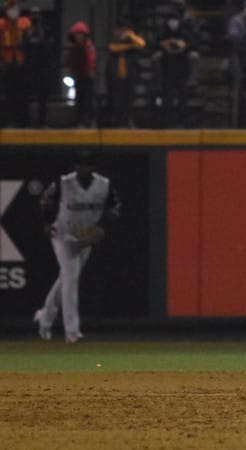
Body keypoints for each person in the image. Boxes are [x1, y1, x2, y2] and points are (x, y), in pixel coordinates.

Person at [33, 150, 122, 343]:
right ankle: (72, 332)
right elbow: (46, 200)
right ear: (75, 167)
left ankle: (45, 317)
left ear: (93, 168)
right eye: (80, 165)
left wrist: (101, 228)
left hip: (86, 237)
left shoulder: (104, 185)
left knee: (66, 278)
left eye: (87, 165)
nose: (83, 168)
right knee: (71, 278)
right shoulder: (63, 182)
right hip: (63, 234)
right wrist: (48, 222)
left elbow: (115, 207)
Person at [153, 9, 197, 127]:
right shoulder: (163, 33)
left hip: (182, 70)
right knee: (167, 98)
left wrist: (186, 48)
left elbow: (192, 45)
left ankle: (183, 122)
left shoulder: (184, 33)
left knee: (183, 98)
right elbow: (155, 44)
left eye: (175, 20)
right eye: (171, 20)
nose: (173, 23)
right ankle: (166, 122)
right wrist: (161, 49)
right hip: (167, 70)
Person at [106, 19, 146, 127]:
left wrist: (131, 35)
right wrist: (130, 46)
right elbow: (113, 48)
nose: (122, 33)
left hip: (129, 76)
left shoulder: (131, 40)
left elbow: (142, 44)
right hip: (117, 77)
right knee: (117, 101)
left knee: (129, 100)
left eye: (124, 30)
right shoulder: (115, 41)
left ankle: (128, 121)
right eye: (121, 30)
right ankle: (118, 122)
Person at [0, 2, 32, 126]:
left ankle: (23, 120)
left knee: (22, 94)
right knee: (8, 94)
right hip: (7, 64)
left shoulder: (24, 23)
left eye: (14, 8)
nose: (12, 12)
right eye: (10, 9)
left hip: (21, 64)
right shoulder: (2, 25)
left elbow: (29, 42)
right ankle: (8, 120)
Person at [65, 21, 96, 127]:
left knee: (87, 100)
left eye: (80, 34)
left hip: (87, 76)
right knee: (79, 99)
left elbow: (91, 60)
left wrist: (90, 72)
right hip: (78, 76)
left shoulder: (88, 46)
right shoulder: (72, 47)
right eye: (77, 34)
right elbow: (69, 61)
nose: (78, 36)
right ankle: (79, 121)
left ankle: (87, 121)